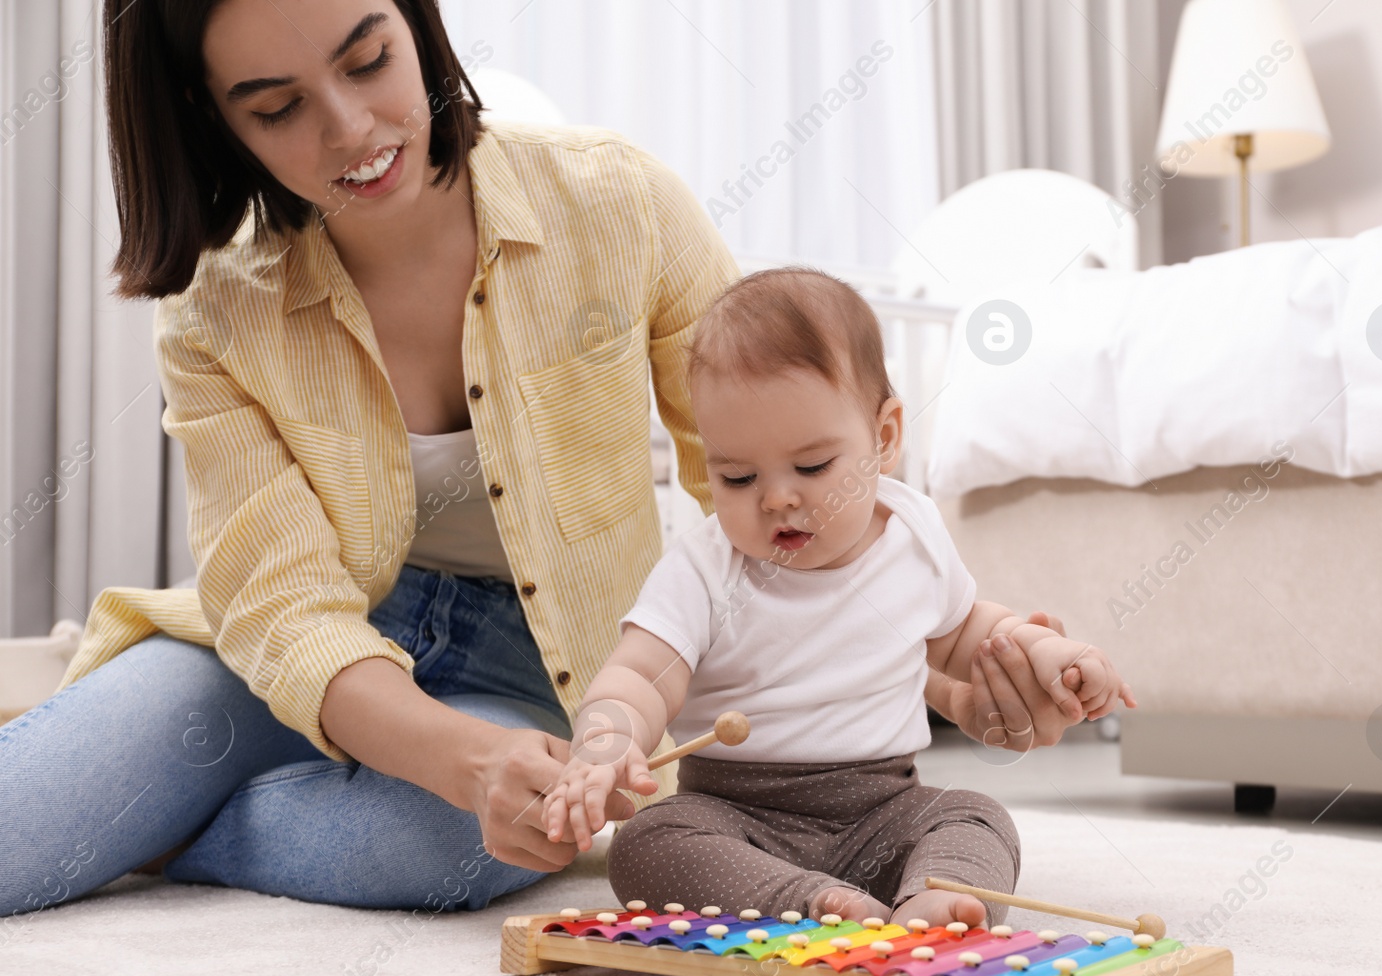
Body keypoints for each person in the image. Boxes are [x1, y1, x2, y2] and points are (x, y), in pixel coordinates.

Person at [0, 0, 1071, 922]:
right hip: (287, 652)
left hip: (540, 664)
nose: (352, 129)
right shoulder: (215, 312)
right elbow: (280, 608)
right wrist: (452, 755)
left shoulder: (613, 202)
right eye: (276, 107)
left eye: (368, 60)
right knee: (22, 833)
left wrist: (938, 668)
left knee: (457, 848)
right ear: (212, 117)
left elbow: (766, 485)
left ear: (416, 26)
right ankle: (189, 765)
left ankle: (169, 829)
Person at [541, 268, 1135, 929]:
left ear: (884, 438)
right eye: (737, 476)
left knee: (976, 814)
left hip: (886, 809)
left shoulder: (913, 535)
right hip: (739, 818)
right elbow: (639, 674)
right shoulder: (706, 567)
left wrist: (1049, 652)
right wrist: (606, 735)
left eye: (812, 467)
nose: (776, 497)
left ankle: (932, 899)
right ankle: (808, 900)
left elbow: (969, 632)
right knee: (648, 843)